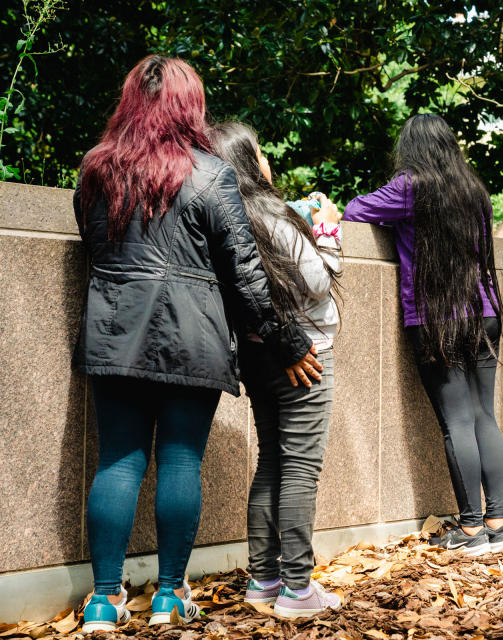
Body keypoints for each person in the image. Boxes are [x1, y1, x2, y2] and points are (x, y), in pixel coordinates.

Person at [73, 56, 322, 633]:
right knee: (181, 460)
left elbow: (95, 244)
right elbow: (245, 277)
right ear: (191, 106)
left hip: (113, 332)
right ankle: (167, 597)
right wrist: (288, 342)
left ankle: (103, 602)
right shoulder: (211, 175)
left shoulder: (95, 171)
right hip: (192, 338)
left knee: (116, 460)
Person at [342, 113, 503, 556]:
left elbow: (353, 212)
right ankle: (498, 524)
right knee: (484, 416)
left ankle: (472, 530)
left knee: (457, 420)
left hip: (439, 318)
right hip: (484, 311)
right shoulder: (473, 190)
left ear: (410, 151)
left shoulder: (411, 188)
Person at [208, 121, 344, 617]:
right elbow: (316, 283)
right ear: (248, 163)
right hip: (304, 355)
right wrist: (327, 234)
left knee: (272, 461)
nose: (268, 160)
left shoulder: (221, 217)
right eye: (260, 152)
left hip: (257, 356)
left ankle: (263, 580)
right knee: (301, 469)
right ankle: (297, 589)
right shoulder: (272, 215)